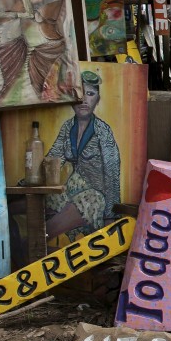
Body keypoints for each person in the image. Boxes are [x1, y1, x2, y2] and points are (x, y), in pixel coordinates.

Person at [43, 70, 122, 239]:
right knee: (26, 204)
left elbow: (112, 174)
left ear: (97, 100)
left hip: (95, 198)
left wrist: (110, 215)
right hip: (71, 191)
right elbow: (53, 159)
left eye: (90, 94)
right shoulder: (67, 127)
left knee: (87, 200)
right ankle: (28, 243)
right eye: (79, 94)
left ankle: (36, 241)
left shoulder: (103, 131)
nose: (84, 100)